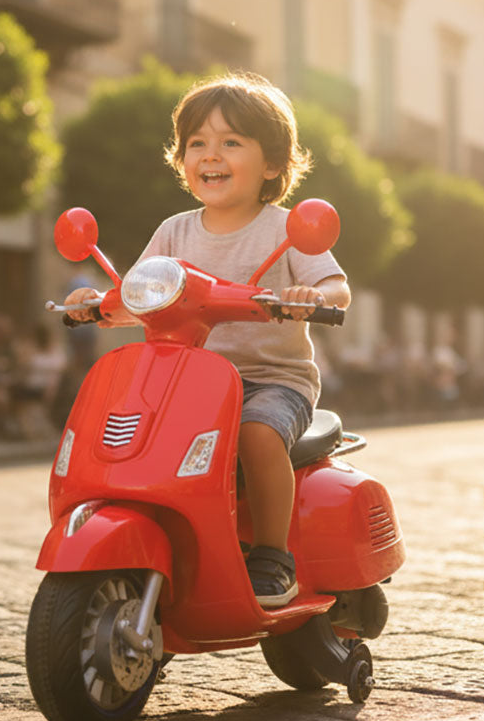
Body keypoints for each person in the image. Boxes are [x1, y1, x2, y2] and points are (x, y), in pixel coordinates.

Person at [62, 72, 350, 608]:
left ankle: (271, 556)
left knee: (258, 435)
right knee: (125, 435)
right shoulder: (174, 232)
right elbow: (139, 293)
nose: (210, 155)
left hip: (271, 381)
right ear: (182, 160)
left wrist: (318, 293)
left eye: (231, 142)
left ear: (271, 164)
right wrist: (97, 304)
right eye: (197, 143)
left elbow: (336, 286)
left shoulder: (286, 230)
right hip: (186, 384)